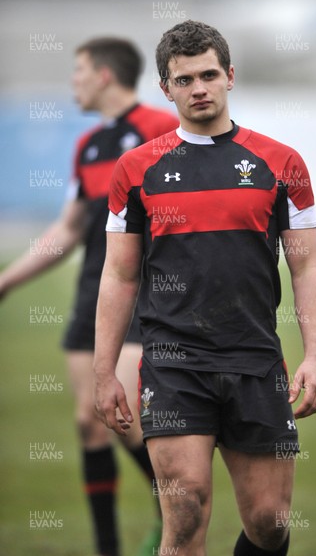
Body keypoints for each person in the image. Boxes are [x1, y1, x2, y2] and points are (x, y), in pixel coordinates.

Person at [94, 21, 316, 556]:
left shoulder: (281, 163)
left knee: (269, 523)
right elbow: (119, 274)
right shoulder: (136, 170)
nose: (198, 88)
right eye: (184, 80)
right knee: (185, 512)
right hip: (173, 364)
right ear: (165, 89)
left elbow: (308, 268)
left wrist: (315, 356)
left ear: (229, 76)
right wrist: (103, 370)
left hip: (256, 360)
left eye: (207, 75)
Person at [0, 37, 178, 556]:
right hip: (91, 293)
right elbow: (69, 229)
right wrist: (9, 279)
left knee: (120, 417)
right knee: (88, 422)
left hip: (142, 296)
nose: (72, 81)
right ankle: (108, 549)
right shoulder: (90, 147)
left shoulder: (159, 130)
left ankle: (177, 504)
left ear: (103, 75)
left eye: (78, 71)